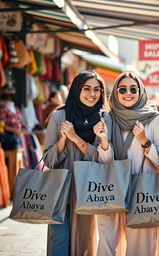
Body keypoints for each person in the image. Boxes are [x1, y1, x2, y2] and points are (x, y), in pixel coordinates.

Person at [97, 72, 159, 256]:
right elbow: (103, 162)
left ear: (141, 91)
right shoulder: (108, 119)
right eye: (122, 89)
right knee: (106, 248)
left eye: (133, 88)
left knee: (140, 251)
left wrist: (145, 141)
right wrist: (104, 142)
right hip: (111, 190)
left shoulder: (154, 119)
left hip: (143, 194)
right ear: (115, 92)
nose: (128, 93)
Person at [43, 71, 113, 256]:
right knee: (58, 238)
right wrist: (63, 140)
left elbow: (101, 161)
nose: (92, 94)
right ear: (76, 90)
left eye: (97, 90)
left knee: (84, 241)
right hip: (60, 189)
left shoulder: (104, 119)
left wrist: (75, 137)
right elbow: (49, 160)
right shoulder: (59, 116)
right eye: (86, 89)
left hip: (89, 190)